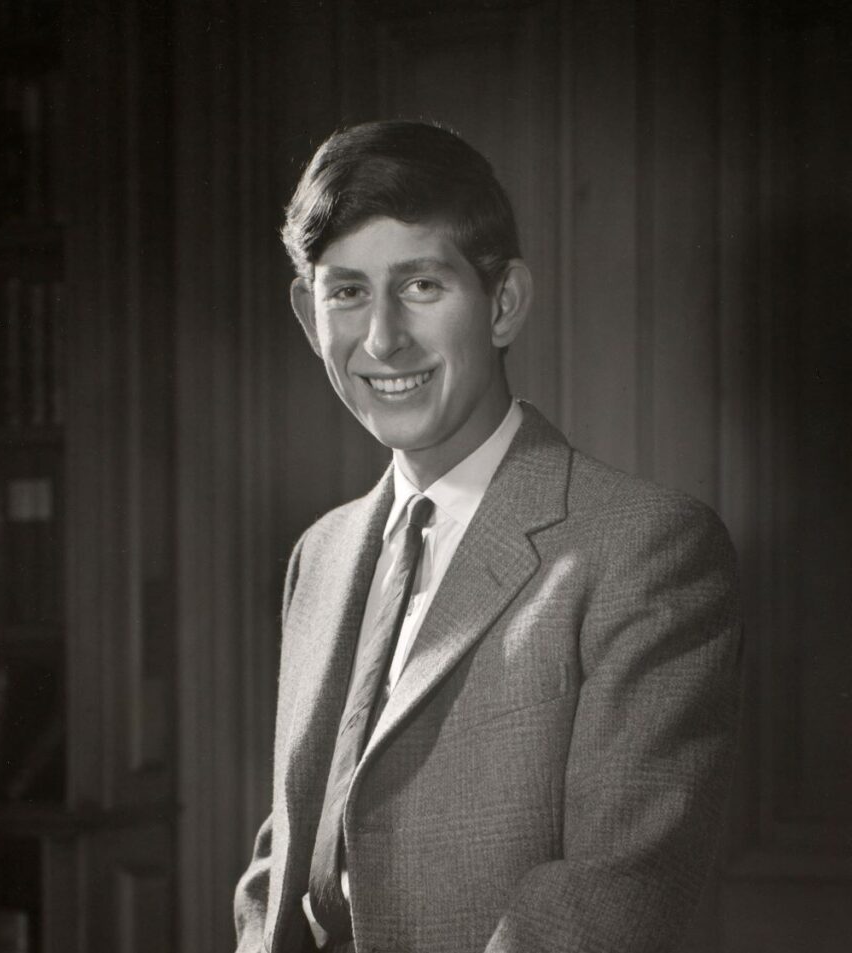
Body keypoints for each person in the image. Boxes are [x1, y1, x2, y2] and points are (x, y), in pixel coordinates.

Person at [234, 120, 742, 953]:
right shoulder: (320, 555)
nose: (382, 339)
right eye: (347, 292)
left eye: (422, 286)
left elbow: (616, 892)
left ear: (502, 303)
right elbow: (292, 845)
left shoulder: (647, 547)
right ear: (306, 311)